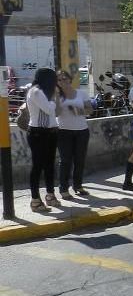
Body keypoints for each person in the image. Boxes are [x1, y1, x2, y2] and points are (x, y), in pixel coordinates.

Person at [26, 68, 60, 211]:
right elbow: (50, 109)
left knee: (49, 165)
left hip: (50, 133)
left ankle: (50, 195)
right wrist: (55, 98)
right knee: (38, 166)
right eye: (54, 79)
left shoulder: (45, 92)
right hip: (39, 134)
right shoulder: (36, 91)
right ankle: (35, 200)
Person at [56, 70, 92, 199]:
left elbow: (90, 110)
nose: (62, 81)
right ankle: (63, 188)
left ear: (70, 79)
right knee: (65, 161)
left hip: (82, 131)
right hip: (63, 131)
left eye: (64, 78)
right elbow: (55, 113)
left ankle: (78, 185)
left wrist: (77, 110)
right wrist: (56, 97)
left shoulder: (81, 93)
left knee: (80, 160)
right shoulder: (56, 95)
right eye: (59, 80)